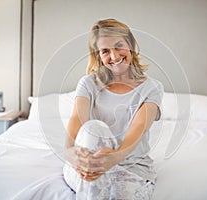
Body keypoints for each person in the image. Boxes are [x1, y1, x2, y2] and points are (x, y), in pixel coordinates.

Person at [63, 18, 163, 200]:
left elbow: (139, 128)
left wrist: (113, 159)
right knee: (95, 129)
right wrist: (69, 152)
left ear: (131, 45)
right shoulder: (88, 83)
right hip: (87, 164)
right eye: (105, 51)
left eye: (119, 46)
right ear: (98, 55)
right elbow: (78, 118)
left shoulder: (152, 88)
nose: (115, 56)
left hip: (131, 168)